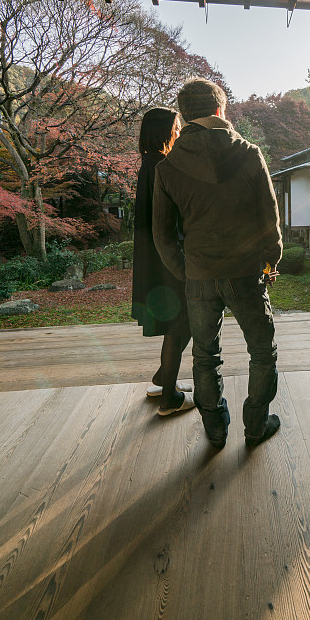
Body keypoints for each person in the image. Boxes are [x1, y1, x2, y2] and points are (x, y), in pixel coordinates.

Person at [152, 78, 282, 449]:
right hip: (245, 273)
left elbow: (162, 236)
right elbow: (269, 218)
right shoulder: (249, 153)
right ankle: (256, 425)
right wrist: (270, 262)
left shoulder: (168, 167)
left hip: (200, 277)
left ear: (185, 115)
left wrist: (186, 272)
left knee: (205, 355)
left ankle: (216, 429)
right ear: (219, 109)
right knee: (261, 350)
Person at [131, 107, 195, 416]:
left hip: (156, 256)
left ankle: (162, 379)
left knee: (179, 323)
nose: (179, 131)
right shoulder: (162, 166)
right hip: (168, 257)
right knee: (180, 323)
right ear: (163, 131)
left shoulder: (149, 165)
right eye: (176, 127)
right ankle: (169, 396)